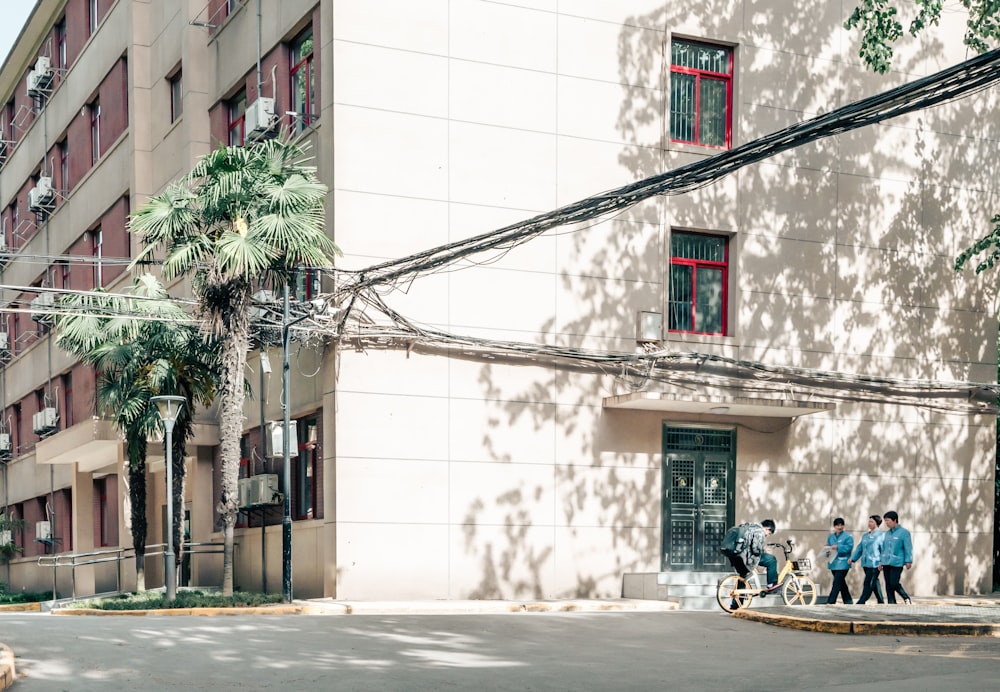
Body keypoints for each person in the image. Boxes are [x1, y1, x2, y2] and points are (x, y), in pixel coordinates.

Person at [722, 518, 779, 589]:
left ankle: (737, 599)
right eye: (769, 533)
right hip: (747, 558)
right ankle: (772, 585)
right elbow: (755, 549)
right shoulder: (759, 531)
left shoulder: (750, 527)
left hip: (737, 557)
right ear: (768, 528)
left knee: (743, 578)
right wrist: (762, 551)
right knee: (772, 560)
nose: (767, 535)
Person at [849, 514, 885, 604]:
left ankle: (862, 601)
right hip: (866, 563)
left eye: (871, 521)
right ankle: (881, 601)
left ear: (877, 523)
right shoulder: (865, 535)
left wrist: (882, 562)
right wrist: (853, 558)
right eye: (869, 521)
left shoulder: (881, 535)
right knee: (874, 582)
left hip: (876, 564)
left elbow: (884, 550)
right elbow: (860, 548)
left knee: (868, 582)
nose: (869, 523)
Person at [879, 510, 913, 604]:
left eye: (888, 520)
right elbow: (884, 549)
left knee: (894, 583)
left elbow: (908, 548)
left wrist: (908, 561)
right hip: (886, 562)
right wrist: (880, 561)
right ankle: (891, 603)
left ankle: (906, 597)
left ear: (895, 520)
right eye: (885, 520)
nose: (886, 523)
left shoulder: (904, 533)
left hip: (897, 562)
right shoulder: (887, 534)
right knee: (888, 585)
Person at [824, 517, 854, 604]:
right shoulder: (831, 537)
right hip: (833, 563)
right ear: (834, 526)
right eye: (837, 525)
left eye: (841, 525)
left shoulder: (848, 536)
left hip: (843, 563)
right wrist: (826, 548)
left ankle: (831, 601)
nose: (839, 527)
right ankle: (848, 601)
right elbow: (828, 552)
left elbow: (849, 548)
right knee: (841, 583)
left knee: (836, 583)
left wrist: (838, 547)